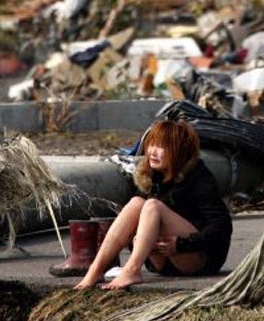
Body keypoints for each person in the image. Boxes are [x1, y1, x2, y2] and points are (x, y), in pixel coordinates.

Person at [74, 118, 233, 290]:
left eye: (161, 147)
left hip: (196, 259)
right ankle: (96, 269)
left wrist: (181, 244)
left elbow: (222, 226)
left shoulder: (199, 178)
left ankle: (132, 270)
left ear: (179, 151)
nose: (152, 152)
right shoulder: (151, 177)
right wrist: (135, 240)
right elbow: (134, 226)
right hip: (161, 262)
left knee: (152, 206)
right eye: (151, 144)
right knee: (136, 203)